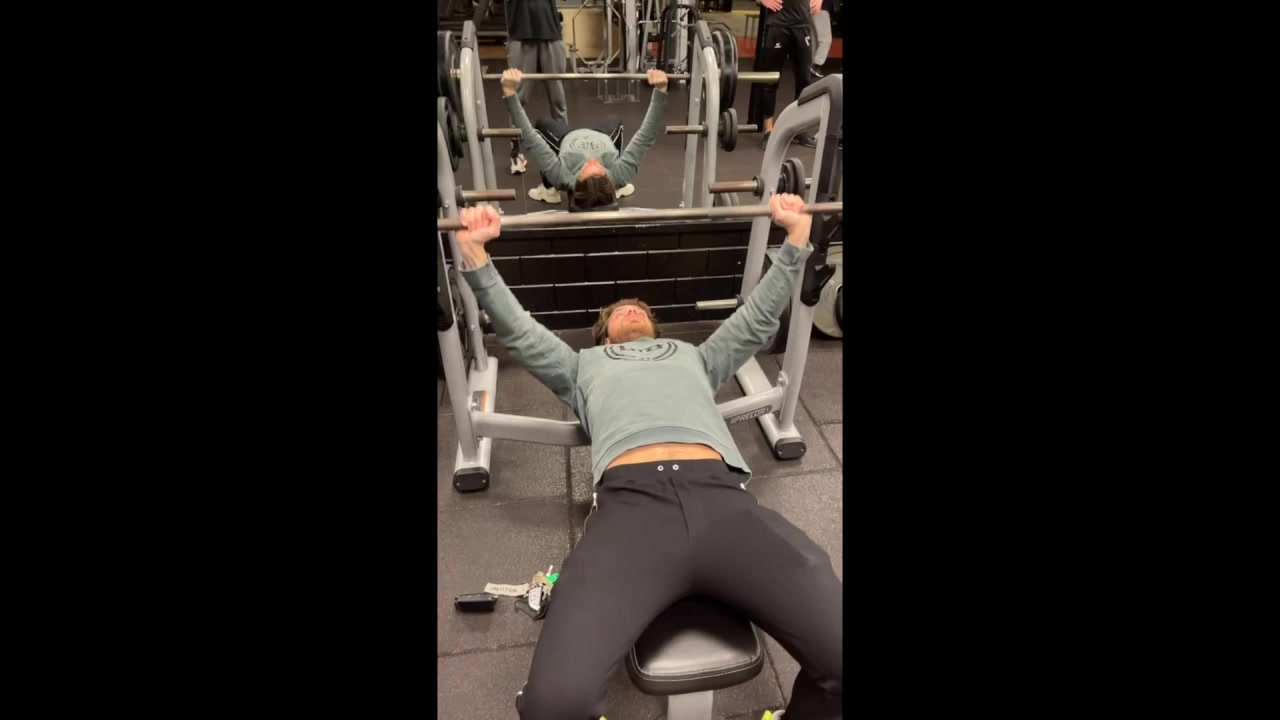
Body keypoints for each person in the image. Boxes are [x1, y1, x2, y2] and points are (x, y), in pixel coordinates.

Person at [453, 195, 843, 720]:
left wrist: (796, 237)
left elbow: (754, 321)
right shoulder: (582, 366)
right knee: (553, 704)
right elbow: (520, 333)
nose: (630, 309)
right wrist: (476, 256)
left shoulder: (695, 357)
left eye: (639, 309)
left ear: (656, 328)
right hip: (630, 512)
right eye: (618, 311)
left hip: (722, 501)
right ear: (604, 332)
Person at [502, 68, 668, 208]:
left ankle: (548, 190)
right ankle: (619, 189)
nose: (591, 160)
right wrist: (660, 90)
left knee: (541, 123)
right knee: (615, 120)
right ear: (608, 180)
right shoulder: (619, 174)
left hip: (567, 137)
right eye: (599, 167)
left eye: (586, 167)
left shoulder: (562, 176)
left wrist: (509, 92)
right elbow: (646, 136)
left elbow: (530, 139)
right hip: (603, 135)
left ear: (576, 181)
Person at [505, 0, 569, 176]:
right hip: (521, 32)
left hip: (550, 32)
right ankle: (516, 155)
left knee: (558, 99)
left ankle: (564, 151)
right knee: (517, 99)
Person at [756, 0, 823, 148]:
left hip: (802, 24)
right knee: (770, 80)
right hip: (777, 25)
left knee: (804, 80)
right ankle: (769, 130)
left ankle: (799, 128)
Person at [810, 0, 835, 78]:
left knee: (814, 39)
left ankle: (811, 66)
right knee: (825, 39)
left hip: (811, 8)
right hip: (821, 7)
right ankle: (816, 65)